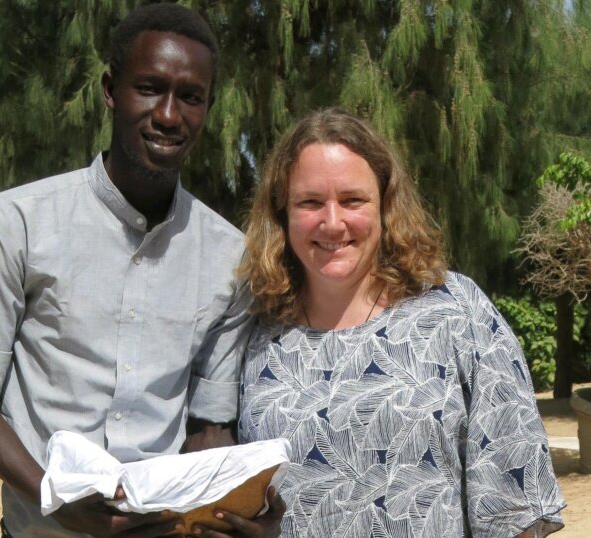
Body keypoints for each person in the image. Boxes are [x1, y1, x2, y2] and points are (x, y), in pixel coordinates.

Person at [0, 4, 281, 537]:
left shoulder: (229, 257)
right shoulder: (14, 224)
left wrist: (219, 506)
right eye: (149, 87)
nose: (169, 114)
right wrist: (54, 498)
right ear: (109, 90)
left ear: (207, 107)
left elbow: (208, 423)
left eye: (190, 97)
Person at [235, 108, 566, 537]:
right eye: (310, 202)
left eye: (353, 200)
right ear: (282, 213)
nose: (332, 222)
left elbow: (514, 501)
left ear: (386, 205)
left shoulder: (454, 312)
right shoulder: (256, 335)